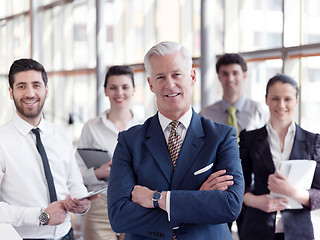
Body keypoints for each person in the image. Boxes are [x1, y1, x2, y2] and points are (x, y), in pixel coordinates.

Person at [107, 41, 244, 239]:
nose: (170, 84)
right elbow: (119, 217)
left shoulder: (222, 137)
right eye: (160, 77)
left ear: (192, 76)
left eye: (176, 74)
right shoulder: (130, 141)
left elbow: (229, 206)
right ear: (151, 84)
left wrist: (158, 199)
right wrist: (199, 197)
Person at [0, 58, 96, 240]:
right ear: (11, 93)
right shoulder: (2, 141)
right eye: (21, 86)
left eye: (36, 85)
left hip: (66, 234)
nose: (30, 93)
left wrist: (81, 201)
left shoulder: (61, 134)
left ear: (46, 90)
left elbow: (73, 182)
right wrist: (41, 216)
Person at [239, 73, 320, 240]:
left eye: (287, 99)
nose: (281, 105)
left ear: (297, 101)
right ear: (266, 99)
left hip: (299, 233)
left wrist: (292, 192)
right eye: (275, 98)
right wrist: (255, 201)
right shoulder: (250, 139)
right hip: (256, 229)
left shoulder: (314, 141)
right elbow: (238, 186)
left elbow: (319, 193)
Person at [76, 65, 142, 240]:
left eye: (125, 87)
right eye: (113, 87)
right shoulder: (91, 127)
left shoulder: (145, 128)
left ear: (134, 90)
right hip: (99, 207)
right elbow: (75, 174)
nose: (119, 93)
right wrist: (98, 173)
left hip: (136, 206)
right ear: (105, 91)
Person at [200, 53, 269, 138]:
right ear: (219, 77)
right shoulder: (205, 115)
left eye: (235, 73)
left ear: (244, 75)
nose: (230, 79)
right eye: (225, 74)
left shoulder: (260, 112)